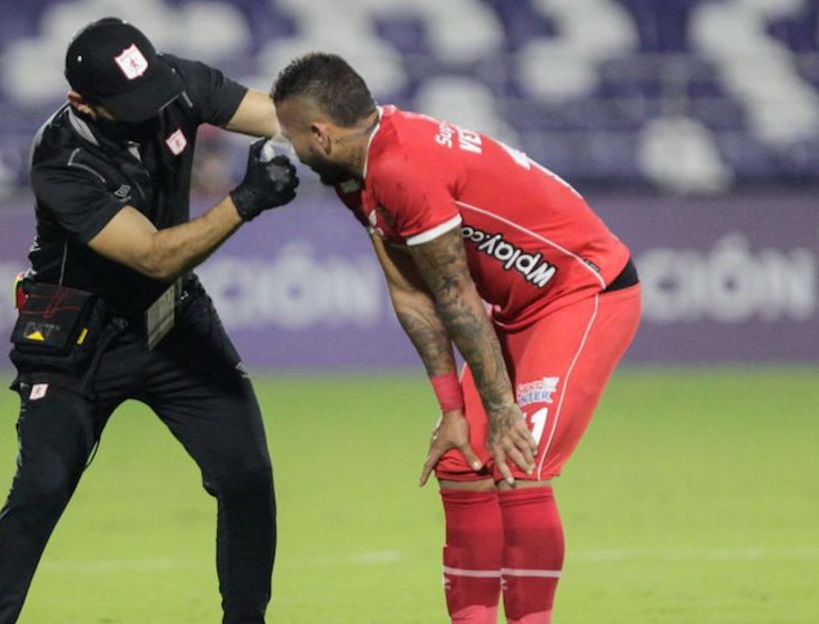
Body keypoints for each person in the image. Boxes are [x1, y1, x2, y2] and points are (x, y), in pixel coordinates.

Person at [271, 53, 641, 624]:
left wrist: (499, 407)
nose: (291, 149)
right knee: (463, 462)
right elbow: (411, 295)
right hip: (517, 310)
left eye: (292, 135)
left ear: (320, 133)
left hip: (582, 291)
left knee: (519, 459)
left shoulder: (402, 166)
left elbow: (456, 294)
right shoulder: (356, 171)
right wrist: (452, 410)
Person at [0, 18, 298, 624]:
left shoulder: (174, 82)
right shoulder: (62, 159)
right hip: (76, 339)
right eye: (128, 105)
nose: (150, 111)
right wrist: (246, 199)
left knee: (246, 471)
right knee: (42, 488)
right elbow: (152, 253)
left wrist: (361, 131)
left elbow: (283, 116)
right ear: (80, 102)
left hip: (171, 318)